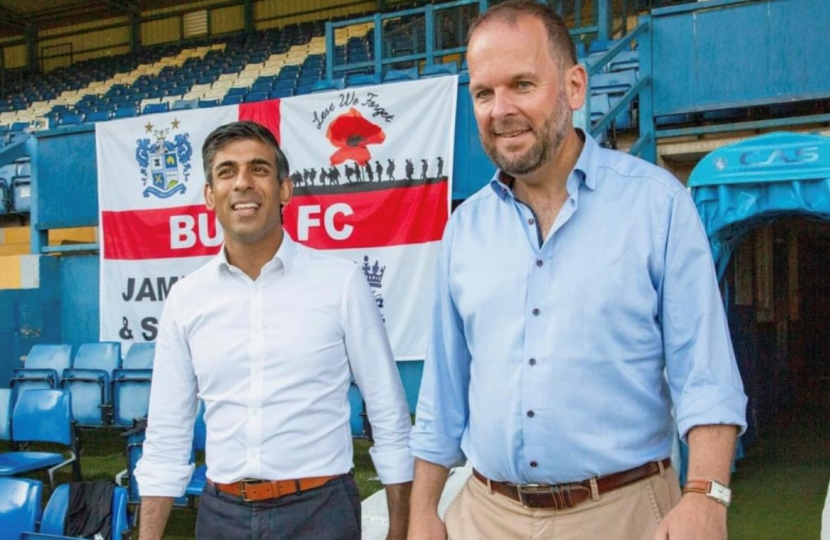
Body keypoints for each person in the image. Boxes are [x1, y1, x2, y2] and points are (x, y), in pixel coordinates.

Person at [407, 2, 747, 540]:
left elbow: (704, 377)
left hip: (625, 514)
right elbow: (442, 394)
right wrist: (422, 511)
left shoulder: (657, 206)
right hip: (484, 515)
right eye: (483, 93)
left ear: (574, 85)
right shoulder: (464, 229)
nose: (500, 110)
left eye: (522, 84)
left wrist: (707, 495)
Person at [135, 121, 413, 540]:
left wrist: (402, 528)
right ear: (210, 195)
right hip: (221, 516)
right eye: (227, 172)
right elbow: (166, 436)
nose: (243, 183)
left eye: (259, 169)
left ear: (285, 189)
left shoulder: (340, 283)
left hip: (321, 514)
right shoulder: (185, 299)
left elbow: (389, 415)